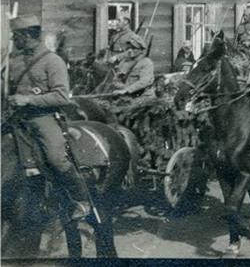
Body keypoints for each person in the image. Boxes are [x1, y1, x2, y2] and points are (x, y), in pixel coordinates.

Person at [6, 15, 92, 221]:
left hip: (42, 118)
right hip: (16, 118)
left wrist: (28, 99)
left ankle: (82, 200)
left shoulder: (53, 62)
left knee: (56, 159)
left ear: (27, 35)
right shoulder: (14, 61)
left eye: (15, 36)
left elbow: (62, 96)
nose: (13, 40)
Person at [111, 33, 155, 98]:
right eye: (128, 48)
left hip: (142, 96)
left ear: (141, 50)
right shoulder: (124, 61)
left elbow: (144, 81)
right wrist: (120, 87)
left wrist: (127, 90)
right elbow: (116, 79)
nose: (130, 50)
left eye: (134, 48)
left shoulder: (146, 63)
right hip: (126, 96)